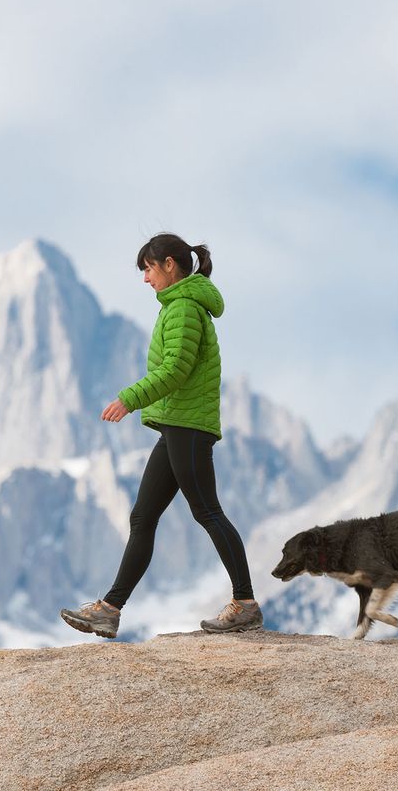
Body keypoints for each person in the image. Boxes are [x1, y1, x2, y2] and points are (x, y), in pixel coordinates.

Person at [59, 233, 263, 639]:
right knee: (143, 517)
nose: (145, 279)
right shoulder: (178, 306)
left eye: (148, 269)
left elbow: (176, 370)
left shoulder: (185, 307)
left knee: (207, 511)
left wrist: (129, 399)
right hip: (176, 426)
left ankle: (245, 604)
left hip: (187, 426)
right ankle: (110, 610)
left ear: (170, 264)